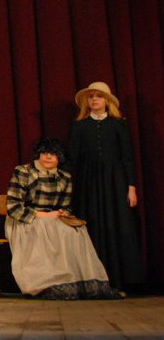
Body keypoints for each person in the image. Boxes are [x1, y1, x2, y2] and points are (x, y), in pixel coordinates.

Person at [6, 138, 120, 299]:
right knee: (46, 228)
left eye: (53, 154)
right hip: (26, 218)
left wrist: (63, 213)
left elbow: (65, 205)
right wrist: (44, 216)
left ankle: (77, 282)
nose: (48, 157)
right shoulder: (23, 171)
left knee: (76, 229)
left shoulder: (64, 177)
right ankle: (46, 283)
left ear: (59, 158)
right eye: (45, 153)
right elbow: (13, 207)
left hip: (53, 218)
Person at [68, 81, 144, 290]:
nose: (94, 100)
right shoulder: (79, 126)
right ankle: (94, 280)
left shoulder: (118, 125)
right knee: (93, 224)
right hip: (89, 181)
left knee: (116, 223)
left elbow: (127, 157)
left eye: (99, 96)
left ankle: (118, 280)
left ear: (107, 100)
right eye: (91, 96)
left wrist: (131, 187)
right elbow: (72, 158)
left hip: (115, 181)